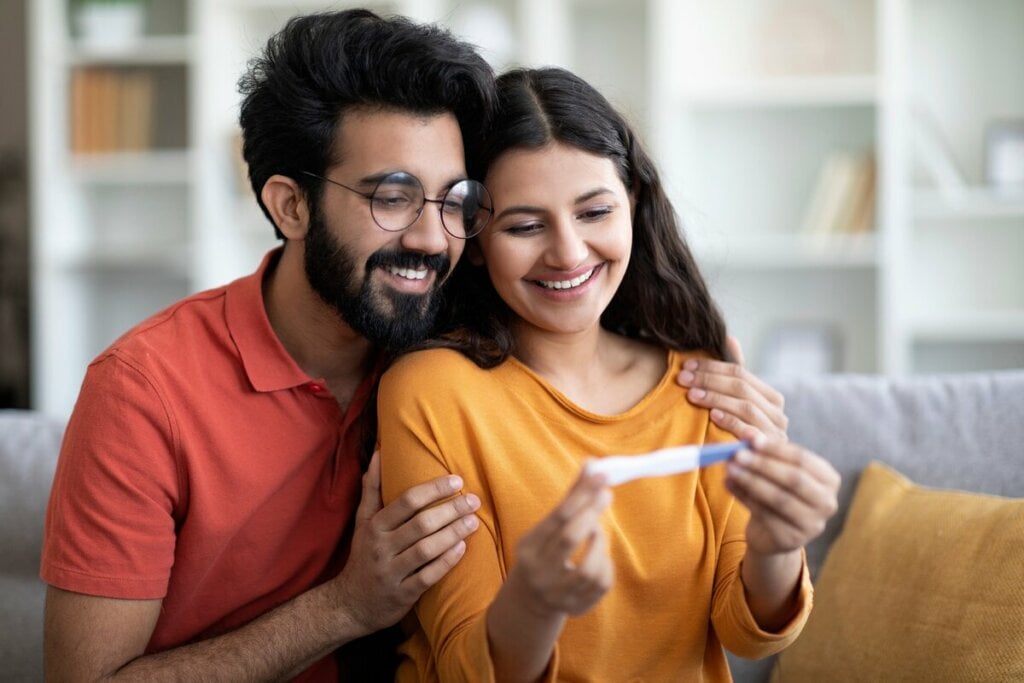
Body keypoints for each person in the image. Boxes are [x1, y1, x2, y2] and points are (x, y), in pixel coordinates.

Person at [41, 9, 791, 682]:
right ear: (291, 204)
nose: (434, 238)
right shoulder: (144, 391)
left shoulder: (452, 348)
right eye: (392, 198)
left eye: (456, 200)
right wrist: (342, 607)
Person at [378, 67, 841, 681]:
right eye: (524, 225)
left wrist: (778, 542)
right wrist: (535, 602)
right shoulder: (431, 391)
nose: (568, 253)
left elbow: (747, 634)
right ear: (478, 238)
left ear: (634, 205)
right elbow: (467, 664)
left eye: (594, 211)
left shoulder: (700, 380)